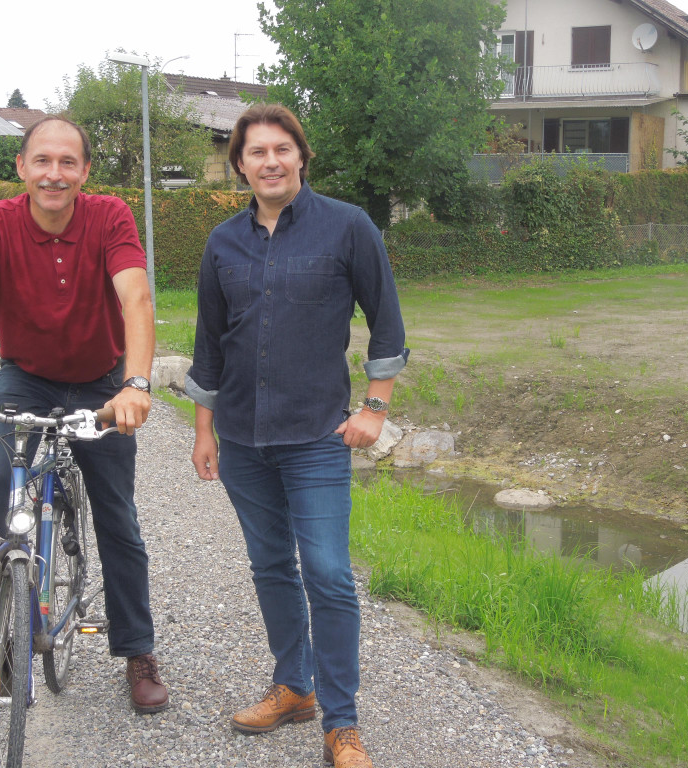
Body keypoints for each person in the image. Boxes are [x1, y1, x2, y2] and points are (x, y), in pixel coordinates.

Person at [0, 115, 168, 714]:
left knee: (117, 515)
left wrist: (135, 384)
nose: (55, 174)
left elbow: (135, 296)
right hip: (25, 378)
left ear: (85, 172)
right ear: (22, 167)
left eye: (68, 162)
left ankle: (138, 650)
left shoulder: (109, 217)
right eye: (43, 161)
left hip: (101, 382)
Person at [186, 103, 408, 768]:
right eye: (257, 152)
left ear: (302, 157)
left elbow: (388, 322)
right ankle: (294, 686)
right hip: (242, 440)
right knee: (270, 566)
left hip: (316, 436)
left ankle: (342, 725)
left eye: (282, 149)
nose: (271, 161)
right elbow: (209, 343)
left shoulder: (348, 226)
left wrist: (374, 409)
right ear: (240, 165)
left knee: (329, 574)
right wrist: (204, 429)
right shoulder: (222, 243)